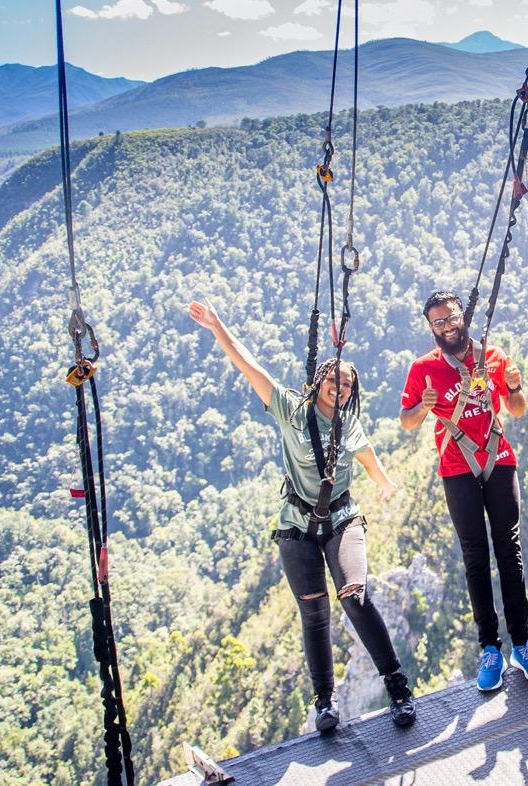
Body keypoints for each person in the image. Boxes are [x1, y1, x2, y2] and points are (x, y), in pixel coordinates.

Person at [187, 299, 416, 731]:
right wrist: (218, 327)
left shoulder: (348, 423)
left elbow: (366, 455)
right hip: (296, 525)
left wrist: (384, 481)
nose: (338, 387)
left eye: (345, 383)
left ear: (352, 392)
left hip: (342, 517)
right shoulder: (292, 409)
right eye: (332, 379)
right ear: (318, 380)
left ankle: (397, 688)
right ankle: (325, 703)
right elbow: (249, 366)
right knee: (313, 611)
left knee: (355, 595)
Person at [399, 290, 528, 691]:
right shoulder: (423, 369)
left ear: (462, 317)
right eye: (439, 323)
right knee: (475, 558)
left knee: (509, 550)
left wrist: (515, 387)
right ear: (430, 327)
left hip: (498, 458)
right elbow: (407, 421)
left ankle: (522, 643)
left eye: (452, 319)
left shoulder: (493, 357)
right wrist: (422, 406)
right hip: (456, 465)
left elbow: (516, 409)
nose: (447, 327)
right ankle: (490, 648)